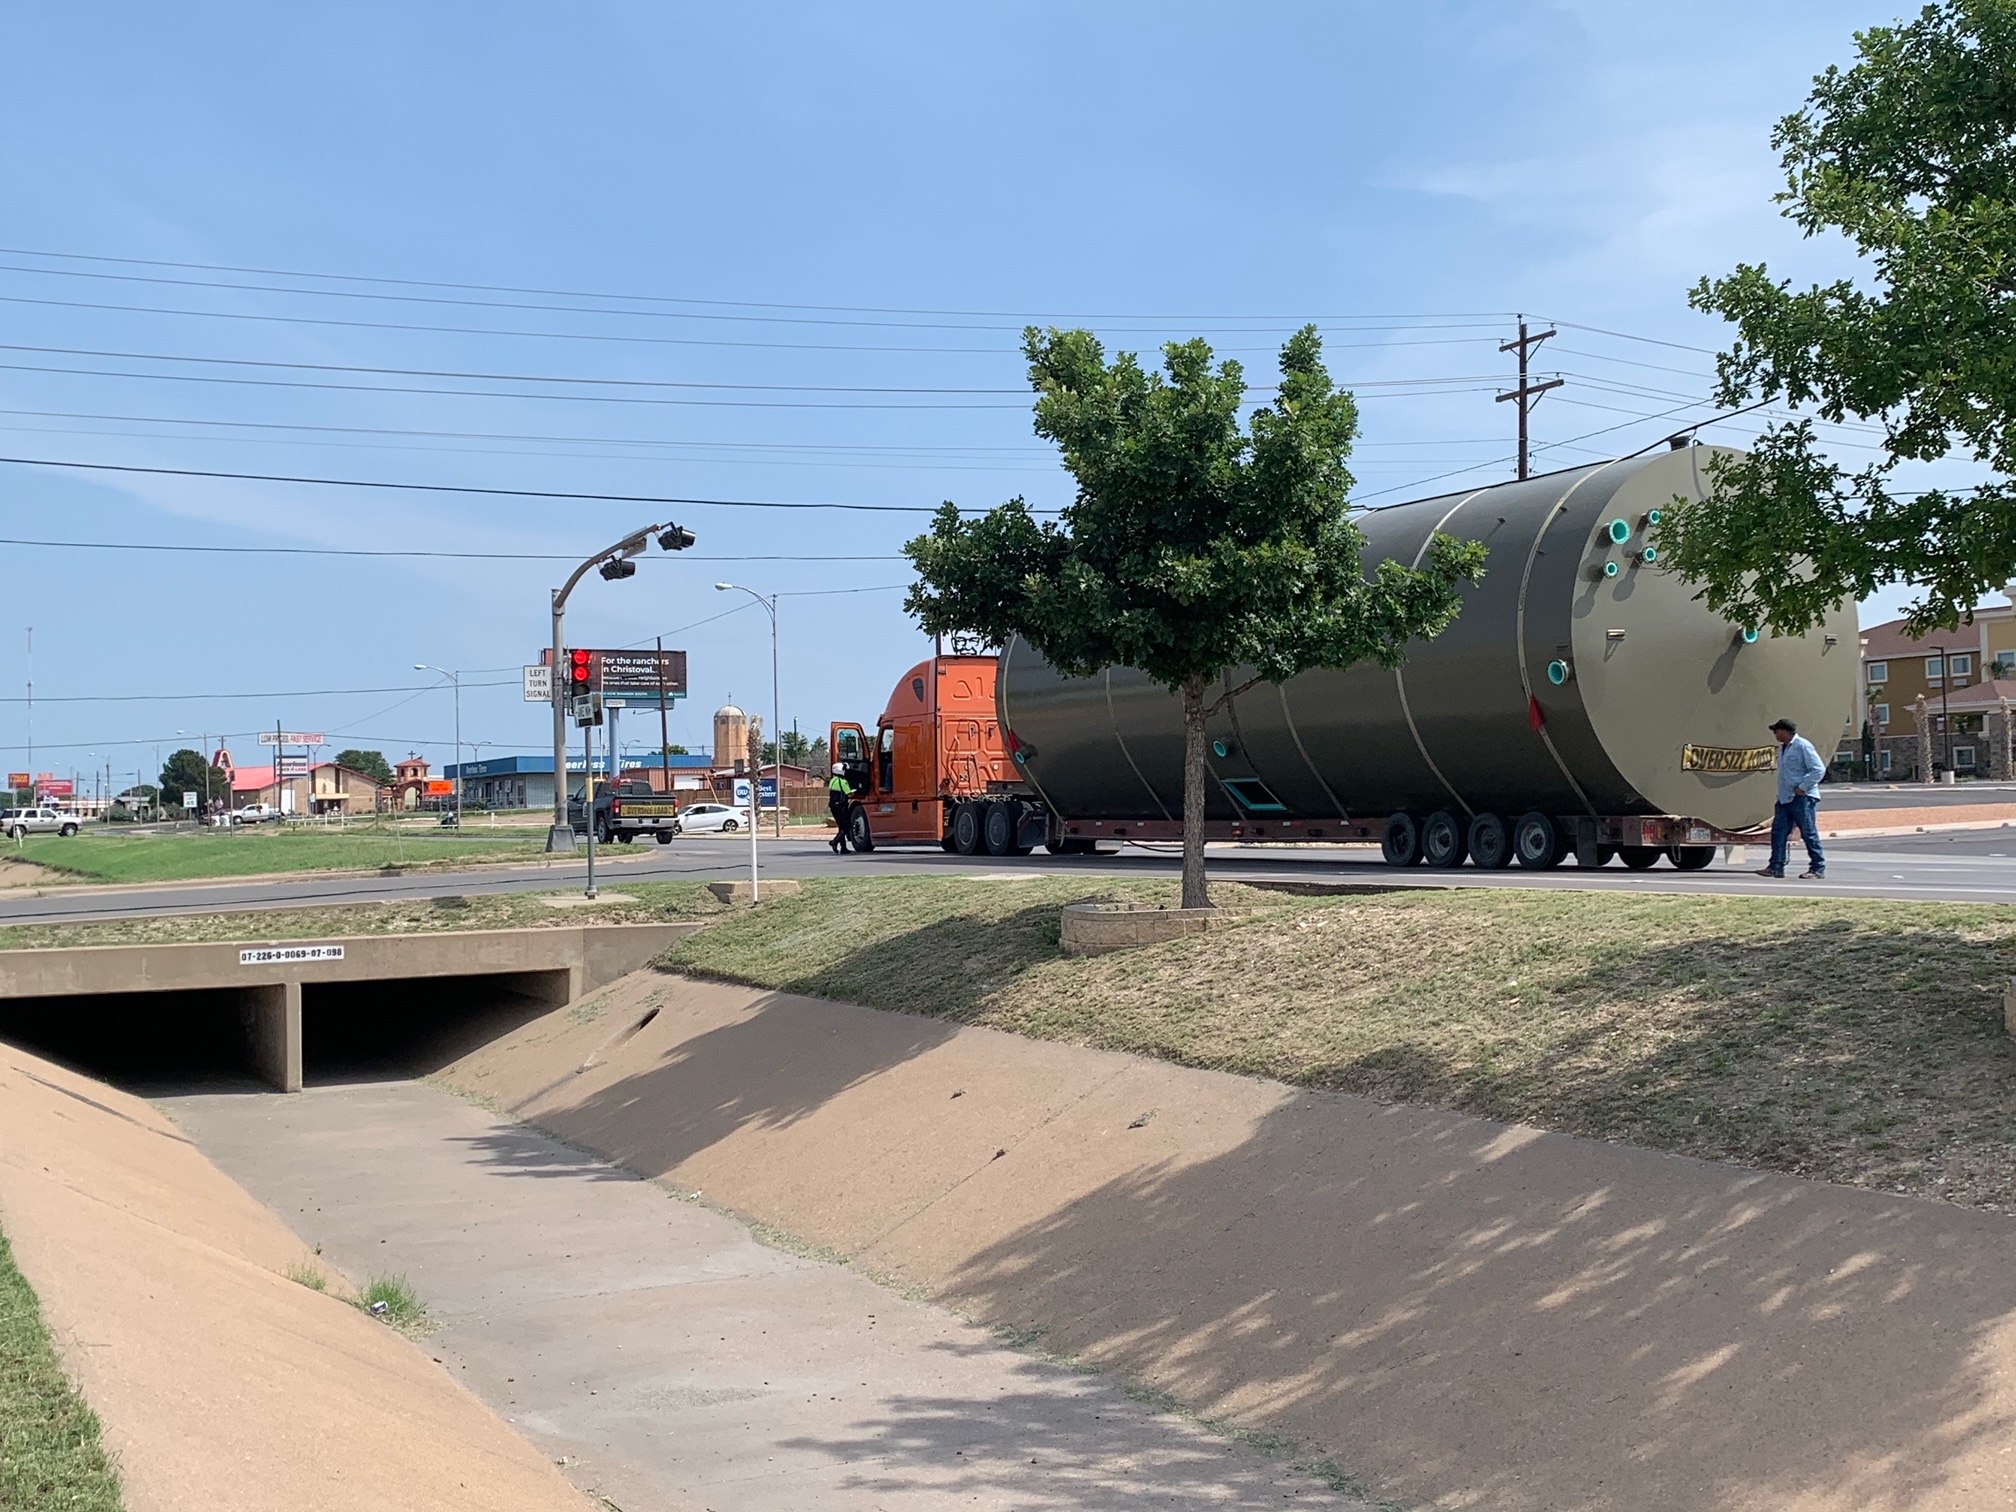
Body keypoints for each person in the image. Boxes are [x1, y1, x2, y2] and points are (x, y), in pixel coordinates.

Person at [1757, 717, 1827, 879]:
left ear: (1784, 731)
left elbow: (1818, 769)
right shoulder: (1782, 749)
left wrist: (1803, 787)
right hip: (1784, 798)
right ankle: (1776, 866)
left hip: (1802, 798)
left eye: (1776, 731)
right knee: (1778, 832)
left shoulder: (1803, 746)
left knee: (1808, 832)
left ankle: (1817, 868)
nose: (1775, 734)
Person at [826, 763, 855, 853]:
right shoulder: (843, 781)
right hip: (841, 806)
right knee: (847, 826)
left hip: (833, 806)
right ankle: (834, 841)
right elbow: (849, 794)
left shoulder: (833, 780)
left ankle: (843, 848)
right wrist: (854, 791)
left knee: (841, 826)